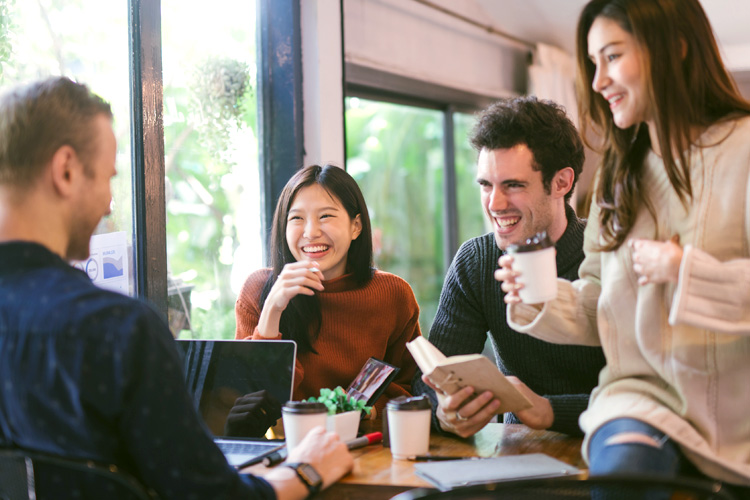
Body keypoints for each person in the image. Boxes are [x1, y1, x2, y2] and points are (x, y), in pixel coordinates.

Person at [0, 76, 353, 500]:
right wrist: (306, 471)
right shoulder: (117, 331)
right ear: (67, 170)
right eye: (107, 178)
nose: (110, 203)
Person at [498, 0, 750, 492]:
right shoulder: (619, 174)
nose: (597, 81)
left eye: (612, 56)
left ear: (674, 49)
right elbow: (601, 305)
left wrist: (685, 271)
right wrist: (540, 298)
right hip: (641, 401)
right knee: (624, 477)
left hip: (737, 410)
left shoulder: (743, 150)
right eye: (594, 63)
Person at [411, 96, 606, 439]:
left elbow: (653, 396)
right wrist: (443, 413)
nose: (494, 204)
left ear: (561, 182)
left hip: (608, 446)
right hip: (517, 452)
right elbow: (429, 382)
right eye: (486, 185)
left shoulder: (609, 256)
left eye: (513, 185)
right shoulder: (477, 262)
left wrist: (548, 410)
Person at [235, 164, 421, 419]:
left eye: (326, 216)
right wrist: (272, 310)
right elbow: (247, 400)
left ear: (356, 226)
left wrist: (354, 416)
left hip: (368, 449)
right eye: (296, 218)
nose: (311, 233)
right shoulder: (257, 289)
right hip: (283, 451)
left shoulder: (393, 294)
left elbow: (411, 392)